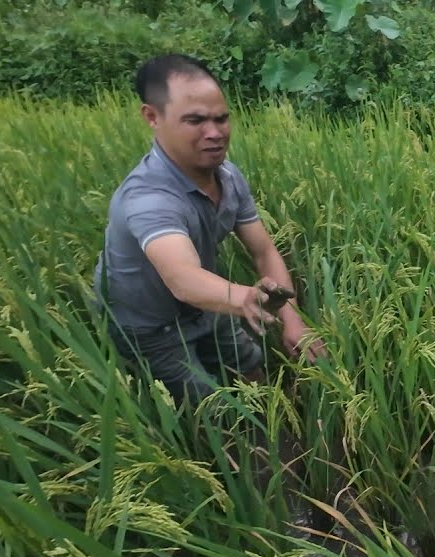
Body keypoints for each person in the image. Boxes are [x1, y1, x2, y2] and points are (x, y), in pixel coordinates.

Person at [93, 53, 324, 406]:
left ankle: (274, 421)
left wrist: (292, 319)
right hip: (149, 326)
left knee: (251, 367)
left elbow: (263, 251)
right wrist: (243, 298)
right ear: (152, 117)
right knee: (211, 409)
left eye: (221, 118)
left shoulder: (227, 176)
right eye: (195, 120)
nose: (214, 133)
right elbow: (182, 278)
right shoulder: (148, 198)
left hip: (210, 302)